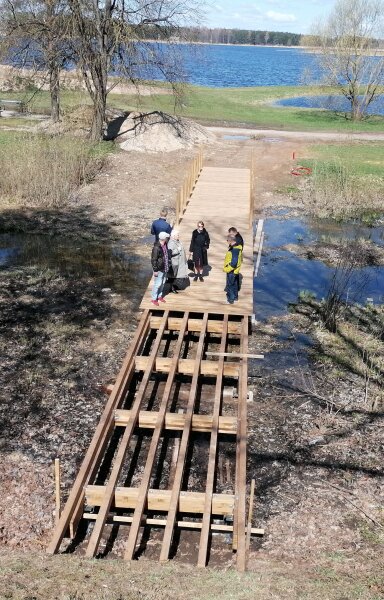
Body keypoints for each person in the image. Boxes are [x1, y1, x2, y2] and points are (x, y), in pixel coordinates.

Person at [150, 231, 171, 306]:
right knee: (157, 284)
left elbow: (166, 255)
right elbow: (153, 260)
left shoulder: (165, 244)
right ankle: (153, 299)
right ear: (164, 238)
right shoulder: (156, 248)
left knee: (163, 283)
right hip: (159, 269)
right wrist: (155, 270)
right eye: (167, 237)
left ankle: (159, 296)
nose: (168, 238)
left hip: (165, 267)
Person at [167, 229, 190, 293]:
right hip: (175, 263)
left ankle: (174, 286)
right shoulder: (171, 243)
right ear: (173, 236)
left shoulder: (177, 241)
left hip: (180, 262)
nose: (178, 236)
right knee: (173, 276)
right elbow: (169, 253)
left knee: (177, 275)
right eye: (177, 235)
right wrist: (177, 250)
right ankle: (172, 288)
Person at [223, 235, 243, 304]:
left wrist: (227, 269)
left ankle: (230, 300)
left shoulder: (234, 250)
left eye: (227, 240)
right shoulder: (238, 248)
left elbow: (234, 263)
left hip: (232, 271)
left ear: (231, 241)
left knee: (230, 285)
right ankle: (235, 297)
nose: (227, 242)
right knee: (234, 284)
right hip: (235, 271)